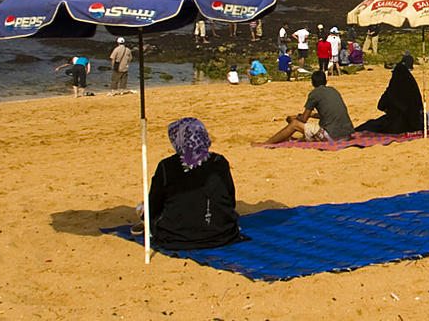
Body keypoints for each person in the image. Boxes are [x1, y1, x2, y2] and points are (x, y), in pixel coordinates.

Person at [137, 117, 244, 249]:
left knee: (144, 209)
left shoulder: (167, 166)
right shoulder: (219, 161)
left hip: (175, 237)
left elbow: (154, 205)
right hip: (222, 234)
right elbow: (230, 199)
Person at [264, 71, 354, 143]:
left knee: (294, 124)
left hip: (333, 137)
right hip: (347, 134)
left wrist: (295, 117)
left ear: (312, 83)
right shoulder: (333, 90)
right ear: (326, 81)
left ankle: (266, 143)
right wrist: (312, 115)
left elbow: (303, 119)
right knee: (299, 123)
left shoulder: (314, 94)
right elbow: (329, 113)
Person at [355, 62, 424, 134]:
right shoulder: (413, 89)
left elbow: (380, 106)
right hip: (415, 124)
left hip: (396, 125)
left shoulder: (393, 90)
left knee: (369, 126)